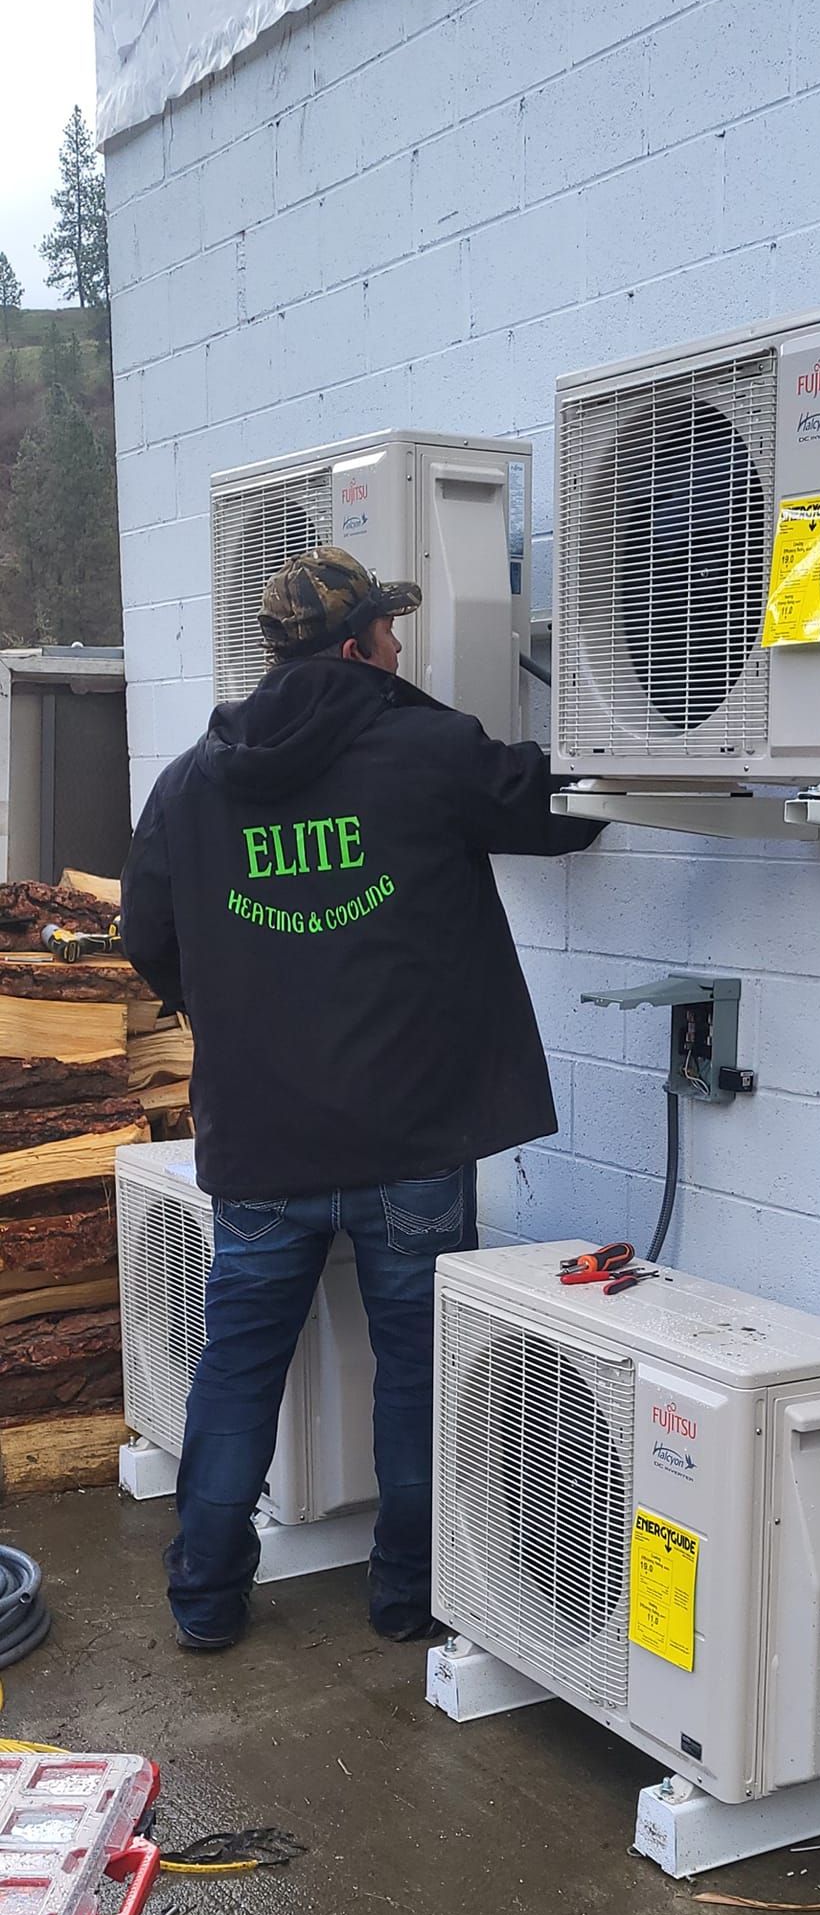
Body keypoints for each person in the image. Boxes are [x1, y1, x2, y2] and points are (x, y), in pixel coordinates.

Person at [121, 545, 599, 1651]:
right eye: (386, 629)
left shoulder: (194, 777)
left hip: (260, 1145)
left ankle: (203, 1590)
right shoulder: (425, 748)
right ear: (353, 645)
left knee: (235, 1366)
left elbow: (146, 933)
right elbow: (564, 809)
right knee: (417, 1372)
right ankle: (404, 1591)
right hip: (411, 1141)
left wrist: (238, 1017)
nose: (397, 643)